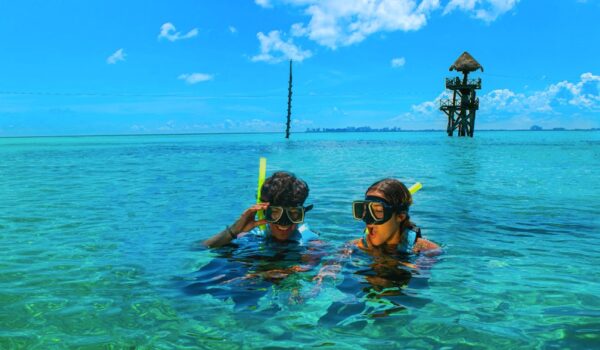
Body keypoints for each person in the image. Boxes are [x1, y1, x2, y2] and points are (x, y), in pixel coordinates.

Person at [203, 171, 318, 249]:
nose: (284, 222)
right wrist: (233, 231)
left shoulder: (310, 241)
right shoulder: (251, 235)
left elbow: (331, 259)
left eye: (293, 214)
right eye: (275, 213)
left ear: (302, 214)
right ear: (264, 211)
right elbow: (200, 248)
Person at [351, 178, 440, 255]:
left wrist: (377, 257)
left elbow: (418, 273)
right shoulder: (353, 246)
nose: (368, 220)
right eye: (366, 211)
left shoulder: (428, 251)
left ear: (400, 216)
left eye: (378, 211)